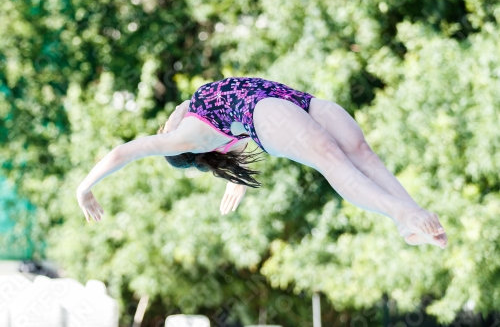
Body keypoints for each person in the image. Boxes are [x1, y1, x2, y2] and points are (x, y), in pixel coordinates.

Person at [77, 77, 448, 249]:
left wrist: (234, 179)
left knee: (361, 151)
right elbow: (122, 153)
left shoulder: (197, 114)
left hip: (295, 99)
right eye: (163, 128)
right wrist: (85, 187)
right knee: (332, 158)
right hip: (264, 114)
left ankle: (413, 221)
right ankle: (402, 215)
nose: (165, 122)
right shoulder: (181, 139)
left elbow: (230, 150)